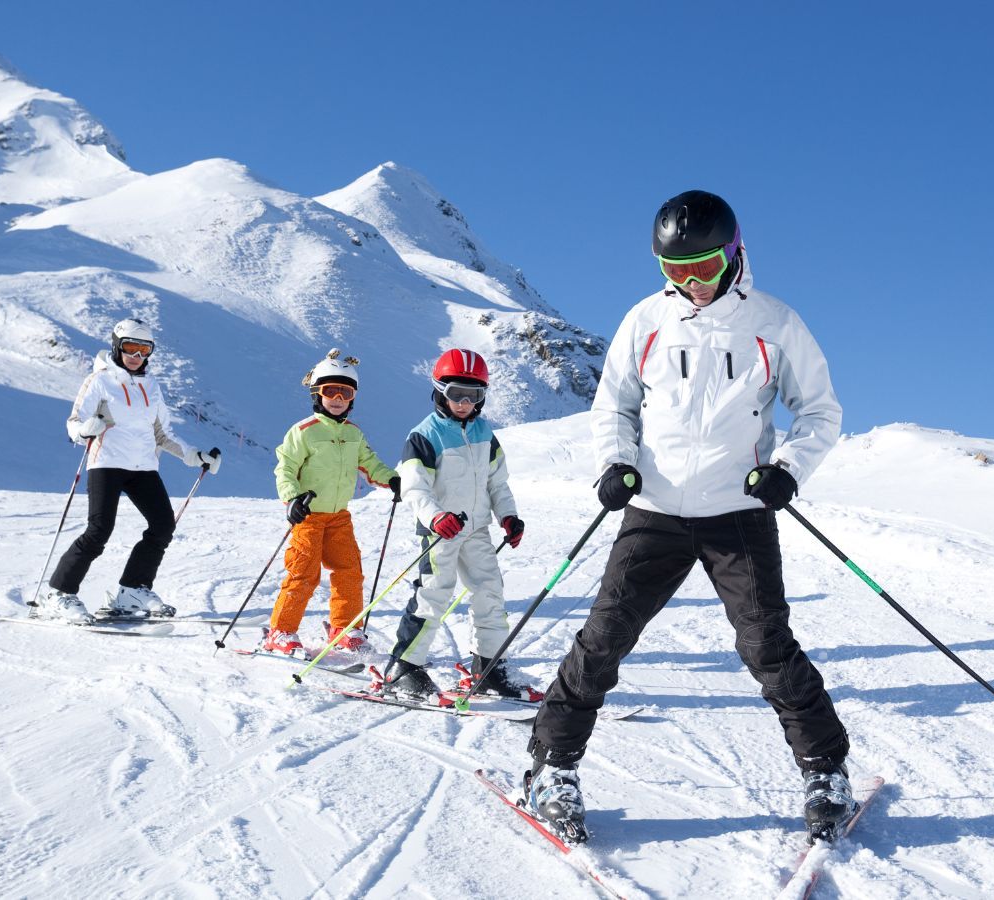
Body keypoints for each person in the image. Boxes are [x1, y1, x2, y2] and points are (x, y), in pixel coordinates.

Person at [523, 190, 853, 844]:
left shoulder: (775, 323)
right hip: (655, 508)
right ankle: (551, 768)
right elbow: (612, 406)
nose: (692, 285)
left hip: (737, 511)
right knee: (604, 638)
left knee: (766, 645)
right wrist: (616, 463)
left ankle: (826, 770)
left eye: (703, 267)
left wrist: (787, 469)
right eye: (675, 272)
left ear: (732, 254)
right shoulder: (645, 321)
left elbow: (819, 412)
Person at [41, 318, 220, 623]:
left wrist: (194, 455)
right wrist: (86, 429)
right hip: (107, 463)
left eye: (144, 349)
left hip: (143, 466)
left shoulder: (151, 386)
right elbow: (74, 423)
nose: (137, 356)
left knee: (163, 526)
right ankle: (60, 594)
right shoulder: (98, 381)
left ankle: (133, 589)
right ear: (117, 346)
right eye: (130, 348)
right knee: (99, 531)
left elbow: (162, 434)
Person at [380, 348, 534, 701]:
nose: (464, 403)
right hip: (441, 531)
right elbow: (414, 486)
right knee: (434, 593)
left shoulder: (484, 432)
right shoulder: (424, 435)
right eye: (456, 394)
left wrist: (507, 516)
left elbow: (498, 482)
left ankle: (489, 666)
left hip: (477, 529)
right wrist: (436, 517)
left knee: (490, 592)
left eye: (474, 395)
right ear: (438, 390)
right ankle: (403, 666)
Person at [265, 349, 400, 656]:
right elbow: (285, 468)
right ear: (317, 393)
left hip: (339, 517)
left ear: (353, 397)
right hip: (309, 516)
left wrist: (391, 479)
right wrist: (292, 499)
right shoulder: (304, 432)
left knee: (349, 570)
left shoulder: (354, 434)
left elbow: (370, 462)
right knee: (304, 573)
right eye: (330, 391)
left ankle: (344, 627)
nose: (338, 398)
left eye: (346, 391)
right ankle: (281, 631)